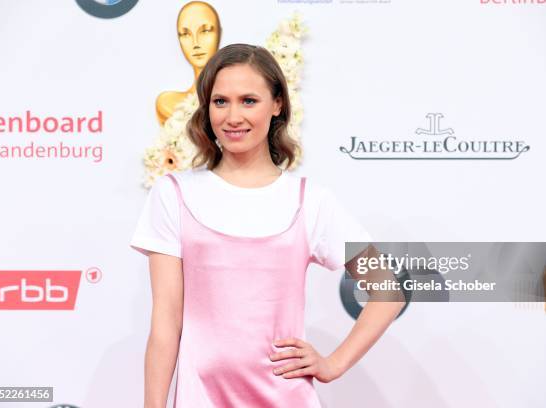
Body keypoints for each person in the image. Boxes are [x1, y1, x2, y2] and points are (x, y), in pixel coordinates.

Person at [130, 43, 405, 408]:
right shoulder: (174, 194)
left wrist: (332, 364)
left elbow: (387, 291)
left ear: (277, 105)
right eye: (220, 101)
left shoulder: (310, 202)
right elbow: (165, 324)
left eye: (248, 100)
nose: (232, 116)